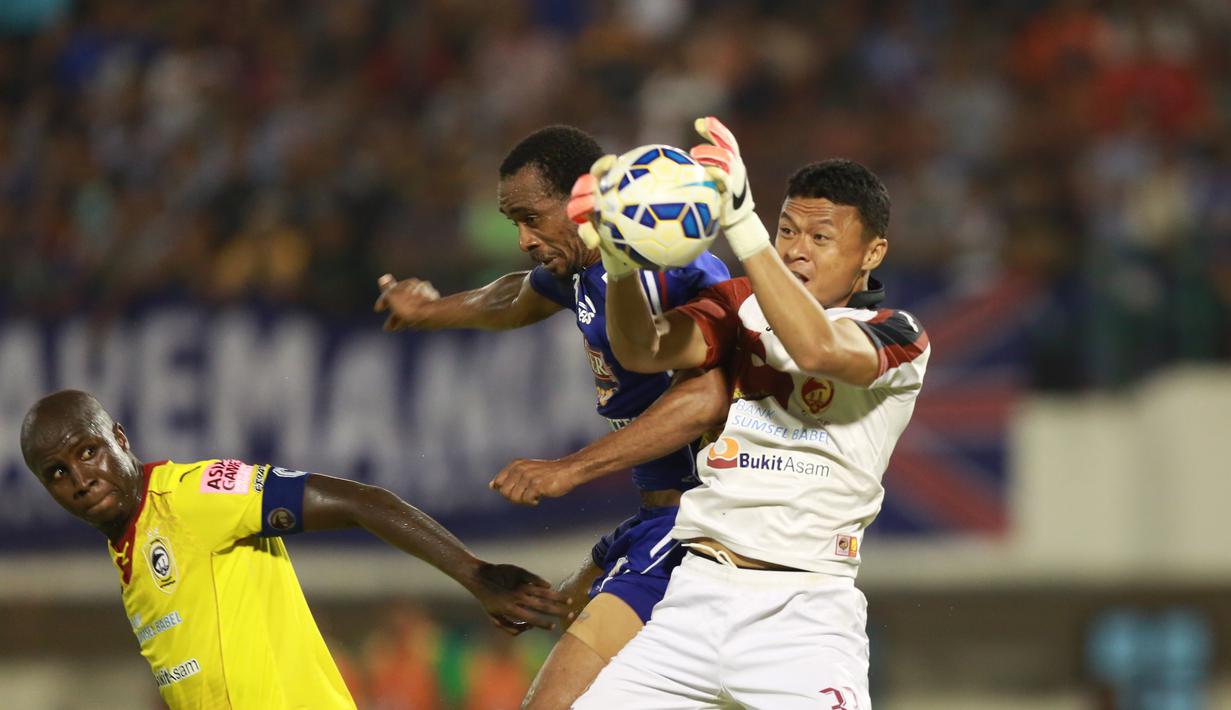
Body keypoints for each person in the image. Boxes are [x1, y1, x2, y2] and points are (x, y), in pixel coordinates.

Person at [568, 117, 931, 709]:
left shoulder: (898, 336)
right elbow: (643, 348)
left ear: (873, 253)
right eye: (787, 229)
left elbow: (815, 349)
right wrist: (620, 263)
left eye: (820, 237)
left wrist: (742, 226)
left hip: (801, 615)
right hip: (694, 597)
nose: (794, 249)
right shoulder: (742, 303)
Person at [373, 125, 731, 709]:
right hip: (660, 519)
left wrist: (569, 470)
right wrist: (431, 310)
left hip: (701, 526)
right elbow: (517, 296)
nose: (522, 238)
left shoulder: (666, 264)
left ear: (582, 199)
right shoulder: (586, 270)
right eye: (513, 221)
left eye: (532, 218)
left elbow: (706, 398)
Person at [20, 389, 572, 710]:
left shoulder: (190, 496)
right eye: (58, 473)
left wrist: (475, 574)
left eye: (88, 451)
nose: (81, 478)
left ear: (120, 438)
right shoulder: (130, 545)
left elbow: (360, 501)